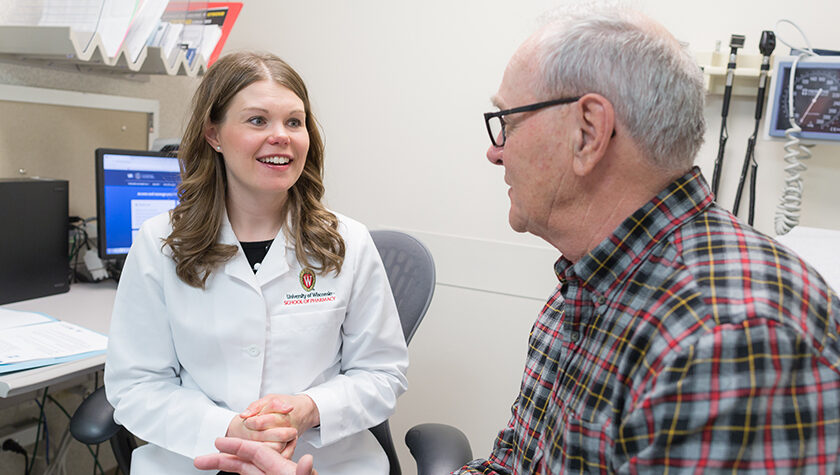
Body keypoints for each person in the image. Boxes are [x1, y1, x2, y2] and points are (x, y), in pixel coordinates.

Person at [456, 4, 840, 474]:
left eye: (508, 123)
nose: (495, 152)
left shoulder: (728, 341)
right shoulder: (585, 289)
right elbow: (512, 464)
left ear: (588, 132)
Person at [104, 51, 409, 475]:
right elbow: (135, 386)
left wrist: (306, 410)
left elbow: (382, 373)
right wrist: (231, 429)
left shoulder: (347, 242)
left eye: (294, 121)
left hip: (324, 462)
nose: (281, 136)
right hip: (197, 459)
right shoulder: (161, 243)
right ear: (214, 134)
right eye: (257, 120)